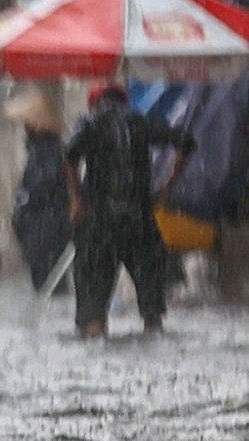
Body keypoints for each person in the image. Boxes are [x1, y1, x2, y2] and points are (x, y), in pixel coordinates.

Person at [65, 83, 195, 338]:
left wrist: (76, 198)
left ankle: (96, 341)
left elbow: (69, 154)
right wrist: (167, 186)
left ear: (95, 104)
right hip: (140, 223)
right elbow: (185, 142)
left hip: (99, 227)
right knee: (153, 313)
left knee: (92, 314)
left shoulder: (91, 122)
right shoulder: (142, 122)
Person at [7, 91, 71, 290]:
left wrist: (27, 204)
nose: (24, 127)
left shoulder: (48, 150)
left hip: (46, 223)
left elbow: (43, 183)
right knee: (45, 277)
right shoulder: (40, 148)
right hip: (42, 222)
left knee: (48, 278)